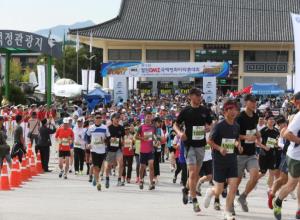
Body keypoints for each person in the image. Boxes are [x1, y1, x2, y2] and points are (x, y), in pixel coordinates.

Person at [174, 88, 212, 213]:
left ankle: (185, 190)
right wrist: (180, 133)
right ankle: (194, 200)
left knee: (195, 174)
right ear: (190, 96)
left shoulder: (204, 110)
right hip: (189, 146)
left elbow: (211, 124)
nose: (199, 97)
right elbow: (175, 124)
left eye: (200, 95)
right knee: (192, 173)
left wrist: (208, 128)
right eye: (197, 95)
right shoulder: (186, 111)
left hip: (201, 146)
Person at [204, 99, 242, 220]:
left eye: (234, 109)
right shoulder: (219, 125)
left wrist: (238, 145)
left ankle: (227, 212)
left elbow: (236, 139)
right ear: (225, 112)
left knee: (233, 186)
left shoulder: (236, 125)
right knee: (219, 189)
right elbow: (209, 140)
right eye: (229, 110)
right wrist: (219, 148)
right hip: (219, 160)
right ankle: (211, 192)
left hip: (232, 160)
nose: (232, 112)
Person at [273, 92, 300, 220]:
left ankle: (299, 210)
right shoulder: (299, 116)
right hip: (296, 157)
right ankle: (277, 201)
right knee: (291, 185)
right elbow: (286, 134)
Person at [236, 94, 261, 212]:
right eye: (252, 102)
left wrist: (257, 133)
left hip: (251, 153)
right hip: (239, 154)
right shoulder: (239, 117)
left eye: (255, 102)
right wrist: (246, 137)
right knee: (237, 180)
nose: (254, 104)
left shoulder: (255, 115)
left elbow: (254, 127)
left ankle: (243, 196)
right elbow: (234, 134)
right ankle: (229, 202)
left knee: (255, 176)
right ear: (246, 103)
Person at [86, 113, 109, 191]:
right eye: (97, 118)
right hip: (94, 150)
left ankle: (95, 178)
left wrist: (105, 141)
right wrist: (88, 143)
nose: (98, 119)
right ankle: (98, 183)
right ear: (95, 119)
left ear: (101, 119)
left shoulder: (105, 128)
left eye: (100, 118)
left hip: (102, 150)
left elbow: (108, 137)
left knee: (98, 168)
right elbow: (87, 136)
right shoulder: (91, 127)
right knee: (96, 167)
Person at [258, 115, 280, 191]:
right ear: (266, 121)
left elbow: (277, 141)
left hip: (272, 154)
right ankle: (253, 181)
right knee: (262, 173)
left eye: (273, 119)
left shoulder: (277, 130)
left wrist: (277, 144)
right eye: (270, 119)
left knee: (272, 172)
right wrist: (264, 147)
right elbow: (256, 141)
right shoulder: (263, 130)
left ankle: (269, 189)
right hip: (264, 154)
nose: (272, 121)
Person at [135, 111, 156, 190]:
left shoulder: (153, 127)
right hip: (143, 150)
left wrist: (156, 140)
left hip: (151, 150)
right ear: (145, 117)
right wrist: (143, 138)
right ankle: (141, 180)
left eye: (150, 116)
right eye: (147, 116)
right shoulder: (141, 127)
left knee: (151, 166)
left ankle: (151, 183)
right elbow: (136, 137)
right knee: (142, 167)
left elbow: (154, 136)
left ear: (151, 117)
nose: (149, 118)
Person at [105, 113, 125, 188]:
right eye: (116, 118)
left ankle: (119, 179)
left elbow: (123, 137)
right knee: (109, 166)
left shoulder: (121, 128)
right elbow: (105, 138)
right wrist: (110, 140)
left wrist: (123, 144)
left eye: (118, 118)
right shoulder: (109, 128)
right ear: (112, 119)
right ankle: (107, 179)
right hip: (110, 149)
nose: (117, 119)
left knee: (121, 163)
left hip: (118, 149)